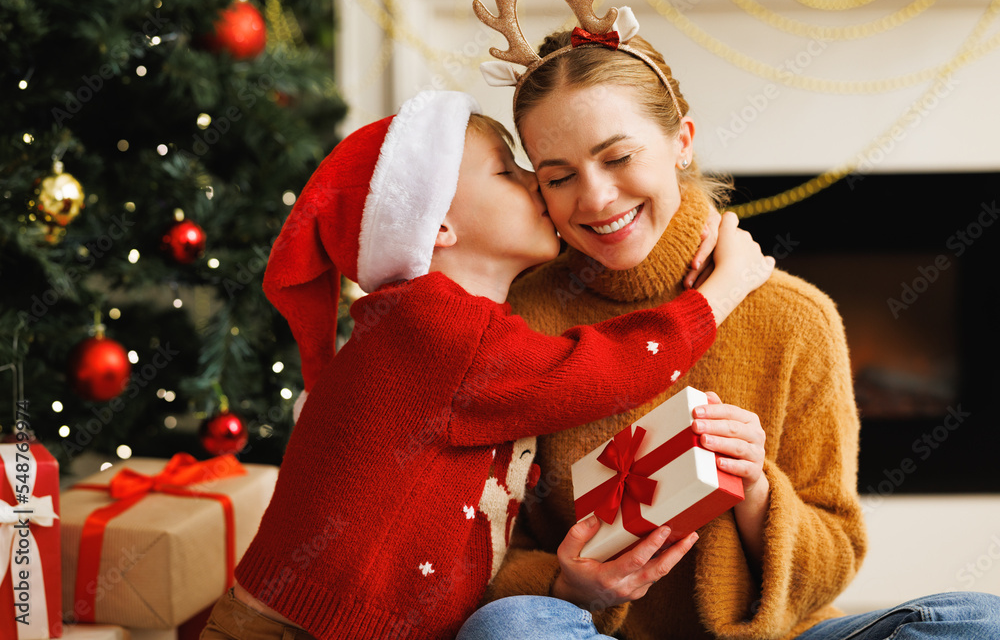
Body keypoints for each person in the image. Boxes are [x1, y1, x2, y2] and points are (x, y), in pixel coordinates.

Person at [461, 0, 1000, 640]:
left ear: (681, 140)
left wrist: (755, 490)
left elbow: (835, 556)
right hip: (593, 632)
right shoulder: (522, 316)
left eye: (619, 158)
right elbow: (466, 542)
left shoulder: (792, 316)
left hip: (776, 634)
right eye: (560, 175)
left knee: (979, 623)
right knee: (509, 629)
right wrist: (565, 585)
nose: (595, 198)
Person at [200, 90, 775, 640]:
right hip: (300, 630)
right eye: (509, 171)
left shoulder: (455, 324)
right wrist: (721, 291)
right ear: (439, 224)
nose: (539, 186)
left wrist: (696, 221)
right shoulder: (433, 325)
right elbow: (601, 371)